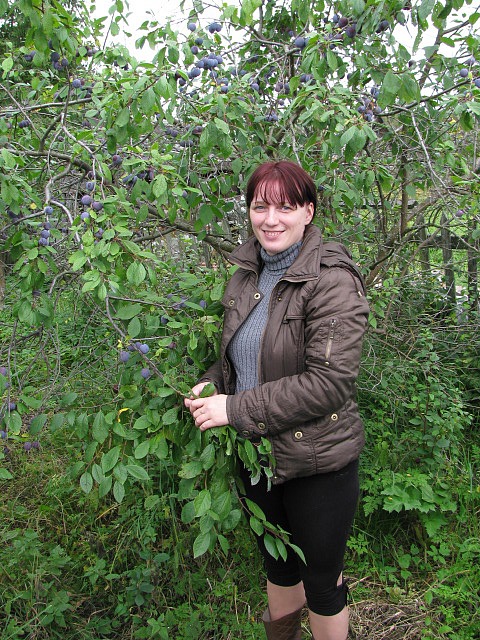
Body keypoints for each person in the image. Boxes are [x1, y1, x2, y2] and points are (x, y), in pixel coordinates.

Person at [184, 160, 370, 640]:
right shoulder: (246, 275)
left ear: (308, 212)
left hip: (317, 461)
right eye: (260, 206)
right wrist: (212, 384)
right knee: (279, 566)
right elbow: (239, 357)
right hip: (257, 455)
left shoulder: (332, 279)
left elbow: (329, 383)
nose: (270, 219)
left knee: (322, 584)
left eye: (285, 207)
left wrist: (233, 410)